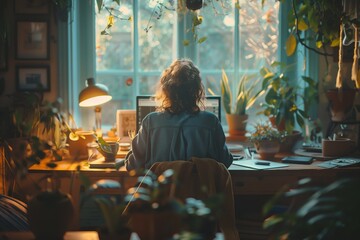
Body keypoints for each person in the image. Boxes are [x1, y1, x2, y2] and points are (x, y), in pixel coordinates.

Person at [124, 59, 233, 170]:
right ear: (197, 91)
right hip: (199, 187)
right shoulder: (210, 121)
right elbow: (225, 162)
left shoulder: (150, 122)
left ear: (166, 91)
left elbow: (133, 166)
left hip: (160, 187)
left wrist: (132, 150)